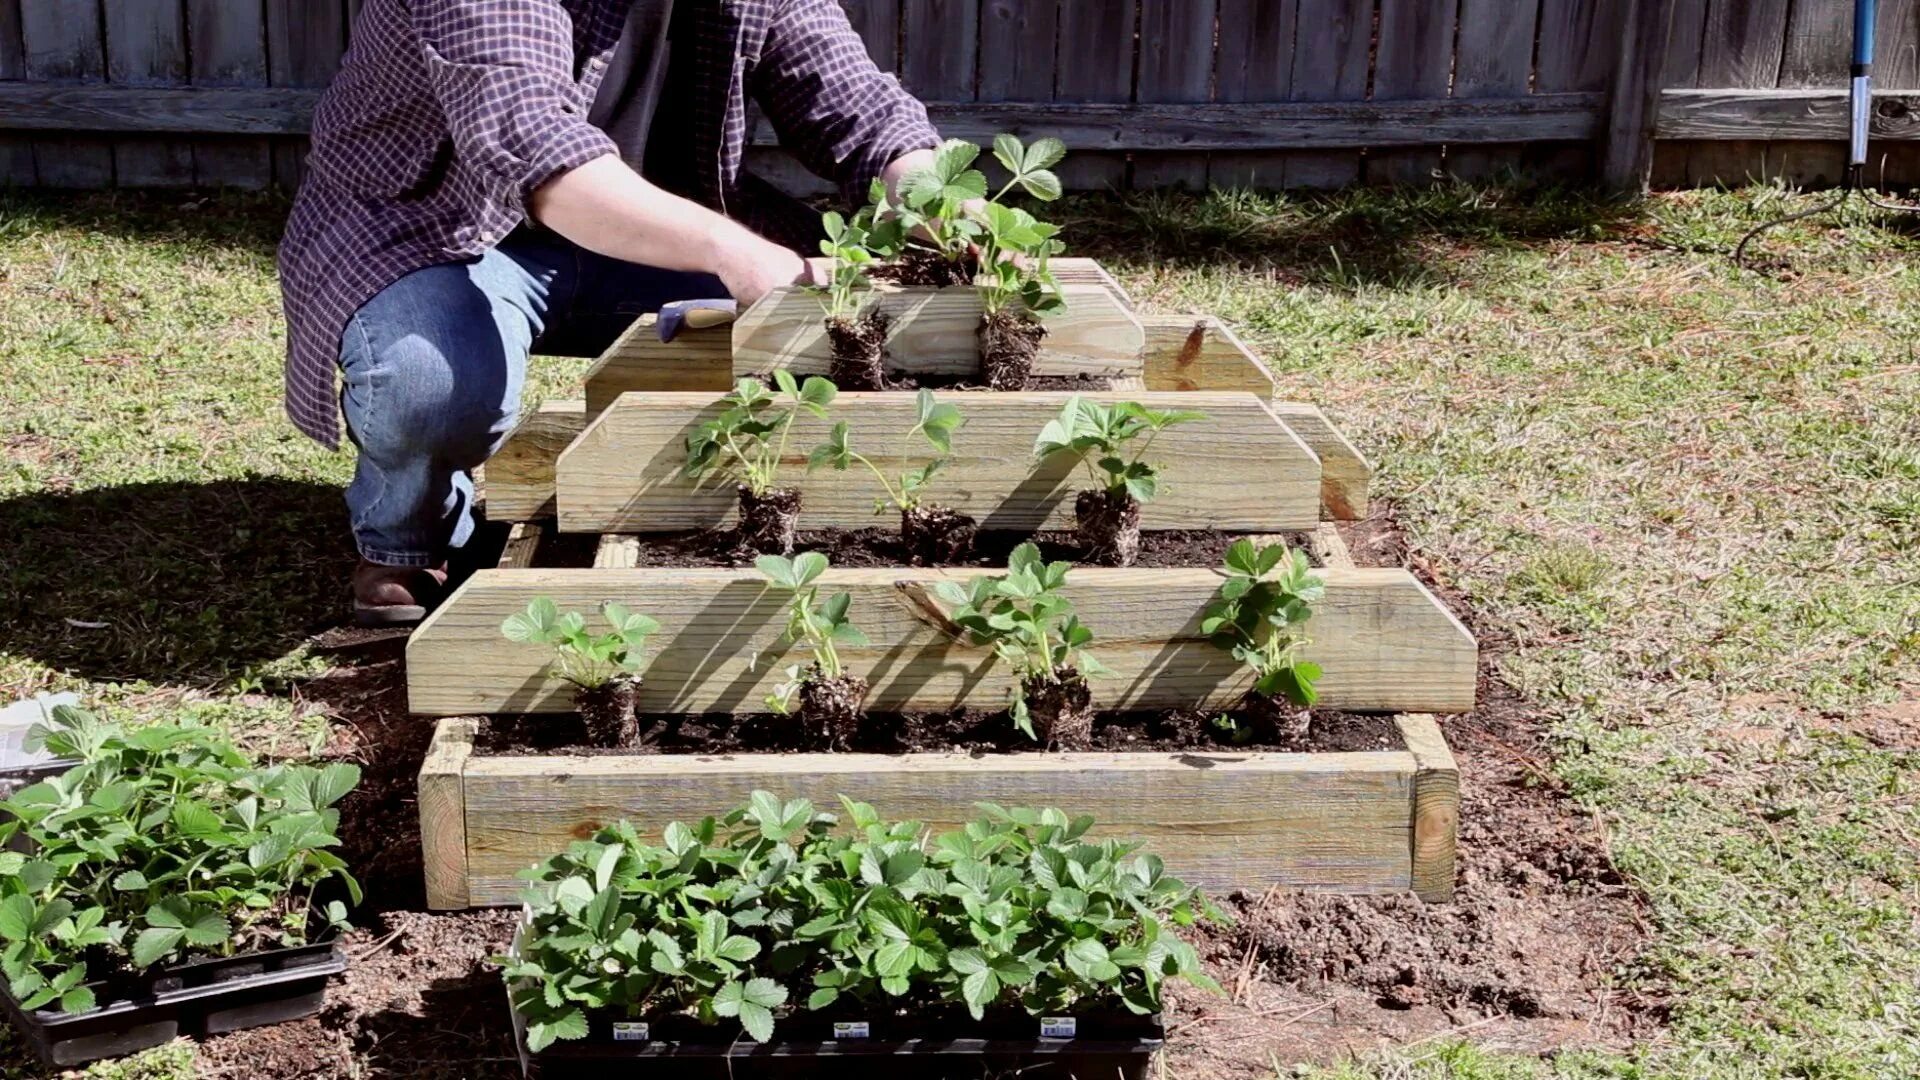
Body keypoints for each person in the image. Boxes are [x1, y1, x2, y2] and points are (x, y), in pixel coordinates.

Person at [277, 0, 942, 626]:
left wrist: (936, 197)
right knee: (432, 380)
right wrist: (743, 256)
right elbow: (536, 149)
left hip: (641, 238)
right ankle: (406, 541)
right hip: (439, 228)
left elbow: (854, 103)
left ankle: (744, 506)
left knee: (841, 322)